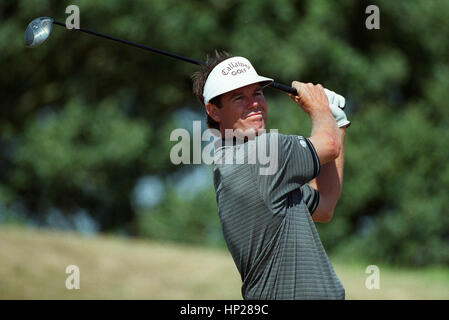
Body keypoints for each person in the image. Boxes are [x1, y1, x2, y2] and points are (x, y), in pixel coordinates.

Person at [192, 51, 349, 300]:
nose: (254, 102)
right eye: (238, 97)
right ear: (214, 111)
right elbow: (329, 145)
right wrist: (320, 108)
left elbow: (325, 204)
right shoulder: (260, 155)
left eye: (257, 92)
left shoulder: (249, 167)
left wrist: (335, 121)